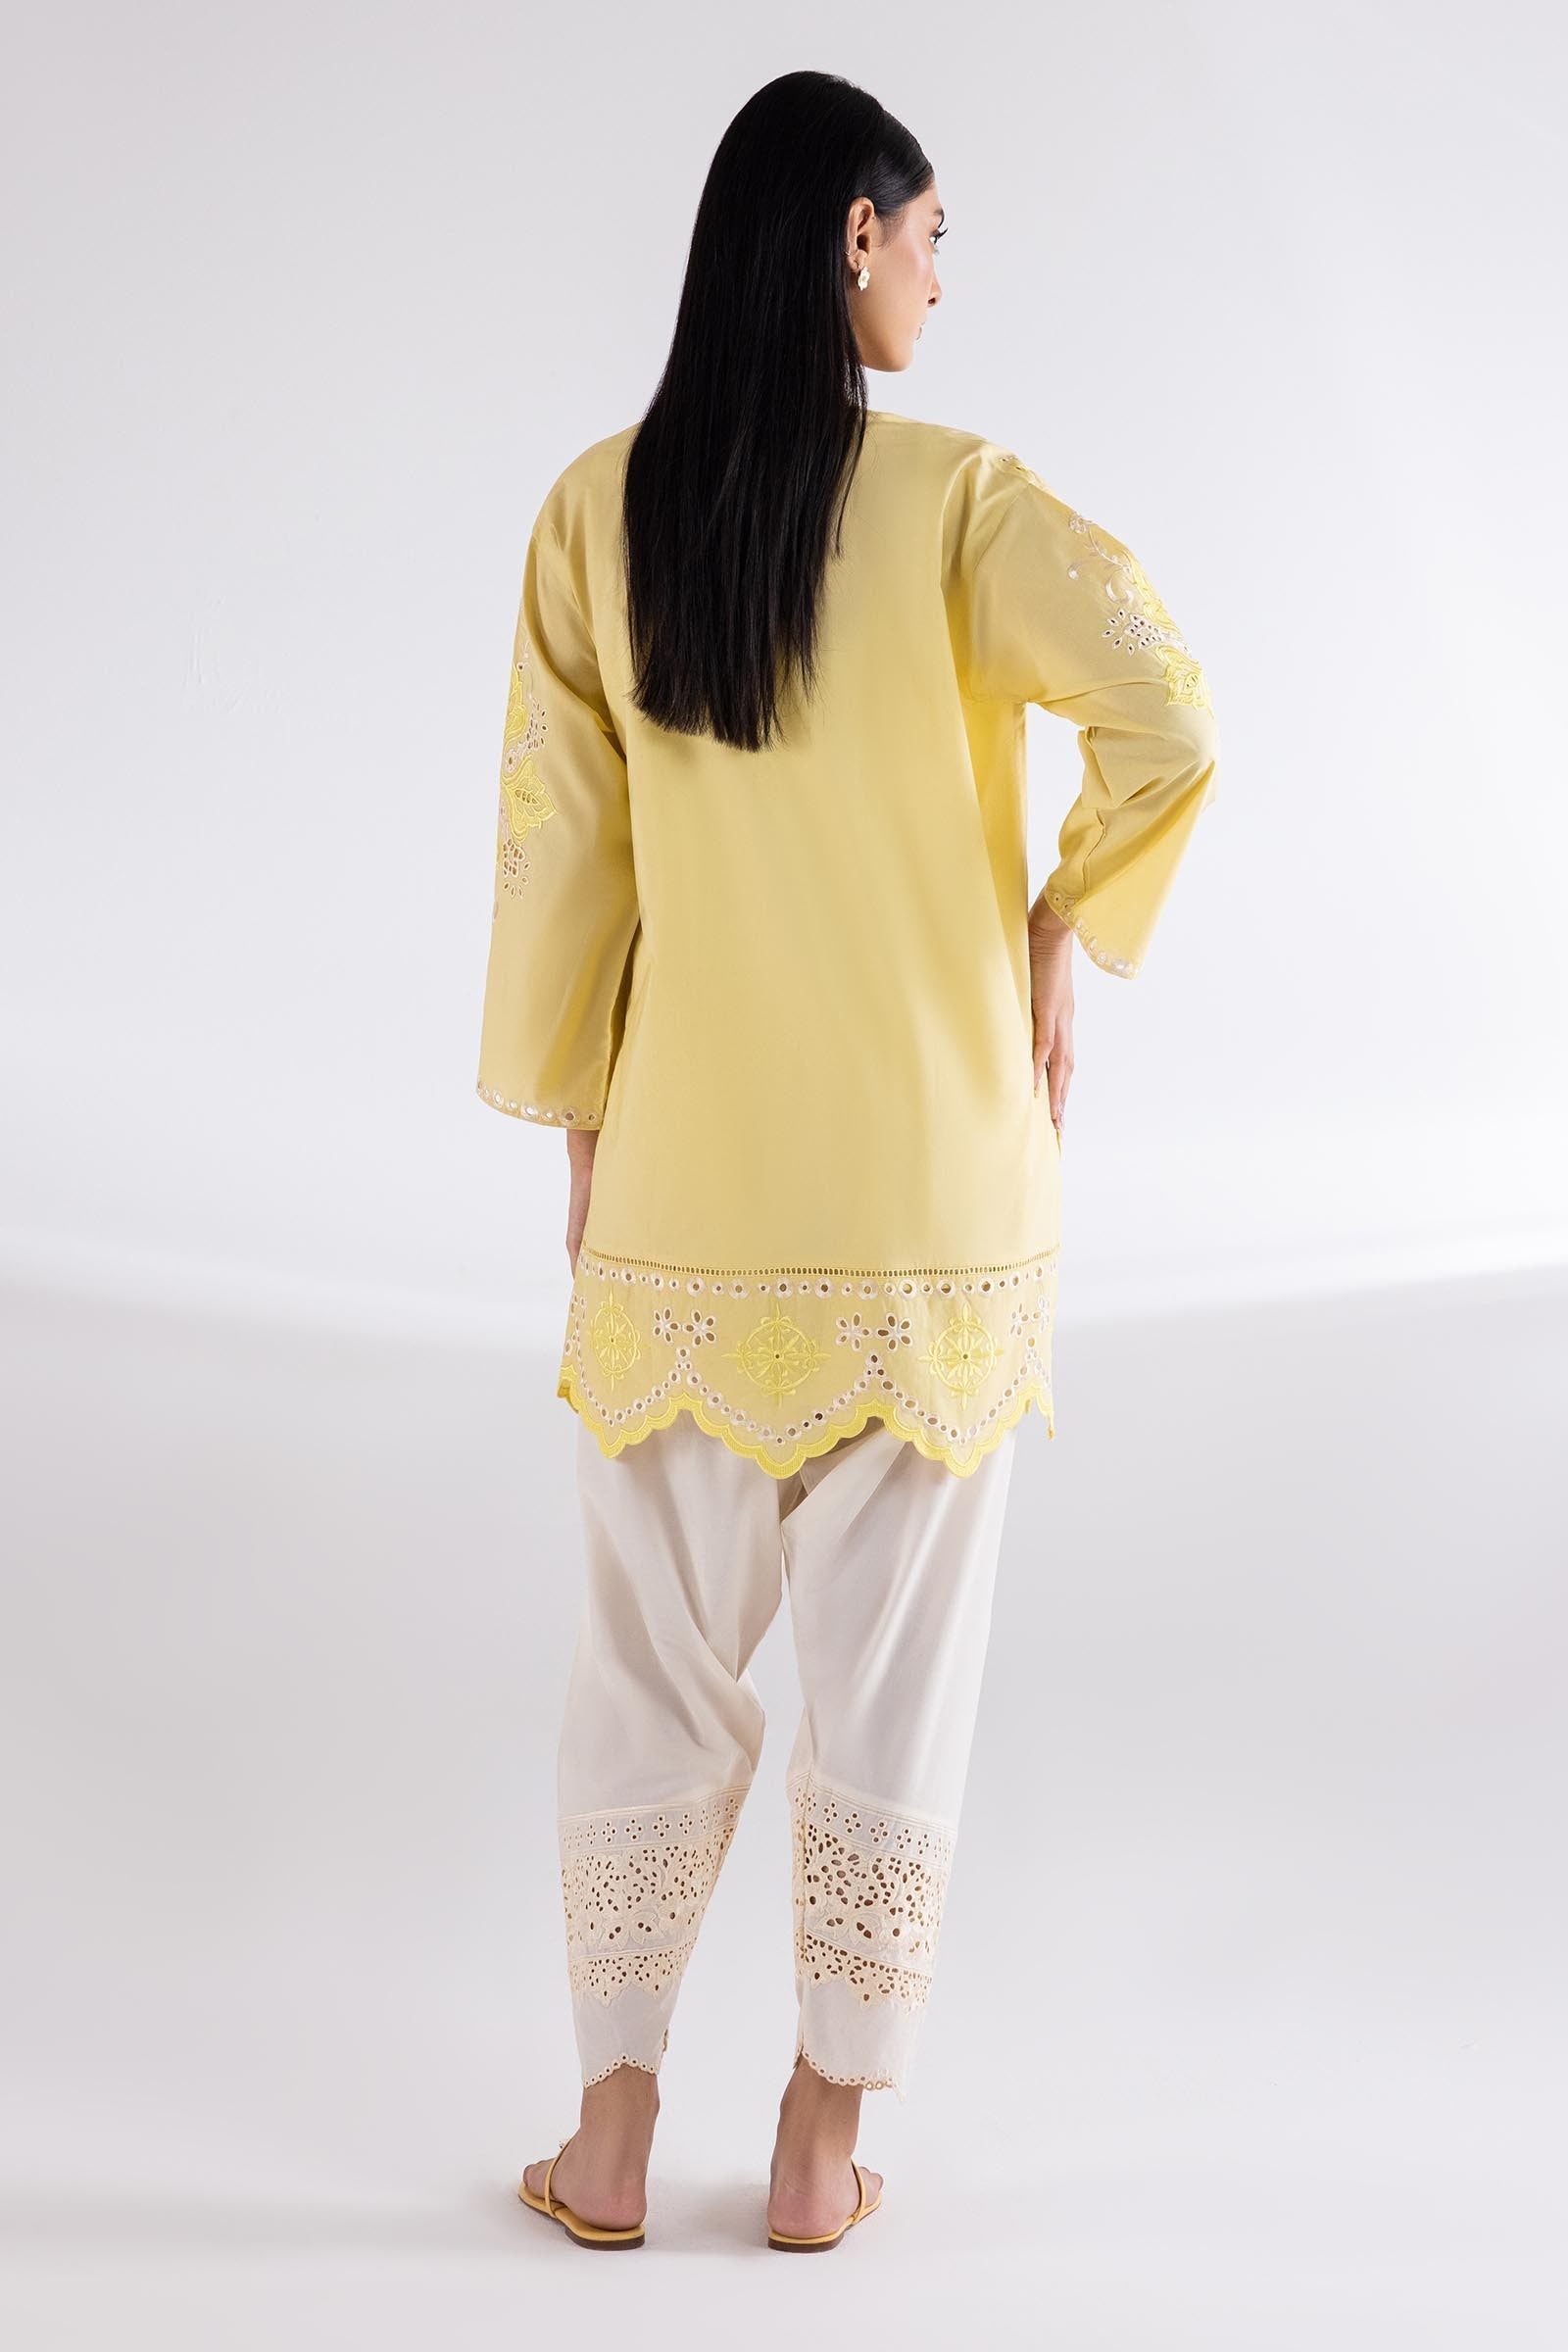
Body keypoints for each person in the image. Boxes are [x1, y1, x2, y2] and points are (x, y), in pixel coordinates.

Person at [475, 70, 1219, 2254]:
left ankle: (610, 2139)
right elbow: (1172, 711)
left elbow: (562, 866)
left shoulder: (594, 516)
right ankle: (819, 2145)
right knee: (896, 1675)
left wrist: (589, 1127)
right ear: (851, 239)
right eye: (929, 233)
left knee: (646, 1658)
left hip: (689, 1194)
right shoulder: (964, 503)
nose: (938, 277)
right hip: (932, 1206)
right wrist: (1060, 919)